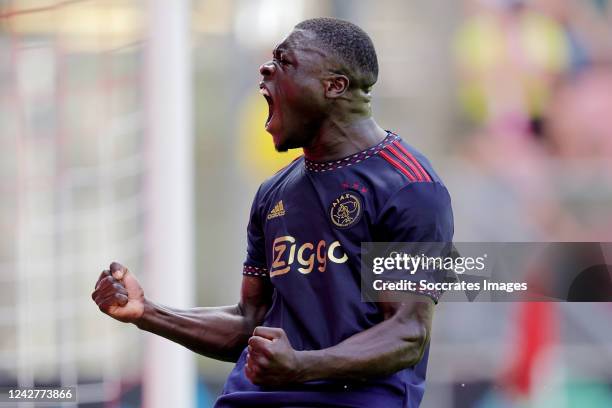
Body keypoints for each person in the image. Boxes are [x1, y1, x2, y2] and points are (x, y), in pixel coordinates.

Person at [91, 17, 454, 407]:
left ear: (335, 86)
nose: (266, 68)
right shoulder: (274, 193)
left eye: (285, 60)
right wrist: (147, 312)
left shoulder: (408, 187)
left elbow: (406, 333)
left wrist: (301, 365)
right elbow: (251, 321)